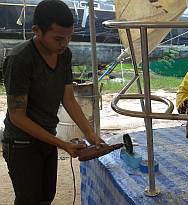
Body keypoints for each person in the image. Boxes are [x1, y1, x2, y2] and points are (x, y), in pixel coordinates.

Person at [1, 0, 104, 204]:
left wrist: (91, 134)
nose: (65, 43)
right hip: (21, 143)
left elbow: (69, 100)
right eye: (58, 38)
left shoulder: (63, 54)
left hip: (47, 138)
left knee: (47, 196)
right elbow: (17, 117)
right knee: (29, 200)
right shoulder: (20, 59)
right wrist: (63, 144)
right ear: (36, 31)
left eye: (69, 37)